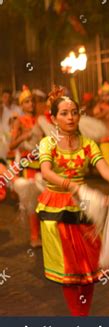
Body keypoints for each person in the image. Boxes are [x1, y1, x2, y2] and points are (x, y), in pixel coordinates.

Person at [36, 86, 109, 316]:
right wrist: (71, 185)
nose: (70, 117)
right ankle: (78, 318)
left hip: (85, 206)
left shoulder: (88, 144)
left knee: (89, 269)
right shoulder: (48, 143)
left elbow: (105, 169)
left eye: (74, 112)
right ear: (53, 118)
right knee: (70, 273)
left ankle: (82, 315)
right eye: (64, 113)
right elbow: (46, 172)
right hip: (57, 210)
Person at [9, 85, 41, 247]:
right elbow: (11, 145)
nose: (31, 104)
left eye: (32, 101)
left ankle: (46, 234)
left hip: (43, 164)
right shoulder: (19, 122)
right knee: (32, 201)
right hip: (28, 166)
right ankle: (34, 237)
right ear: (21, 105)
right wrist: (25, 136)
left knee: (44, 198)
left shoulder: (40, 119)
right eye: (27, 102)